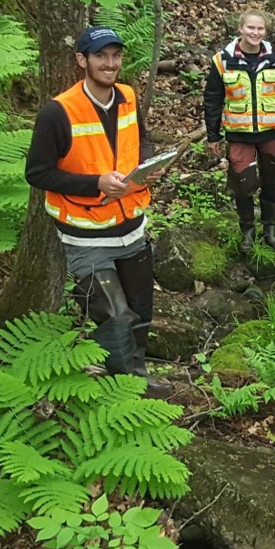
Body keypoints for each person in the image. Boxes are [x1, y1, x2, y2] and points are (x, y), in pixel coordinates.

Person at [23, 26, 168, 384]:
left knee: (141, 311)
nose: (110, 63)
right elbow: (37, 173)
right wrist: (96, 184)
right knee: (115, 314)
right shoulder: (58, 112)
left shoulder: (128, 97)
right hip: (85, 235)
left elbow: (142, 140)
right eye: (101, 56)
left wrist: (146, 168)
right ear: (82, 61)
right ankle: (126, 388)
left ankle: (136, 373)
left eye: (115, 56)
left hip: (132, 226)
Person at [202, 9, 275, 252]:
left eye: (260, 28)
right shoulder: (222, 61)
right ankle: (247, 232)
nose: (255, 32)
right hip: (239, 134)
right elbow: (212, 98)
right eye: (251, 28)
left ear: (265, 31)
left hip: (271, 131)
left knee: (270, 180)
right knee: (243, 183)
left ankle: (270, 230)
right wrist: (213, 135)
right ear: (240, 28)